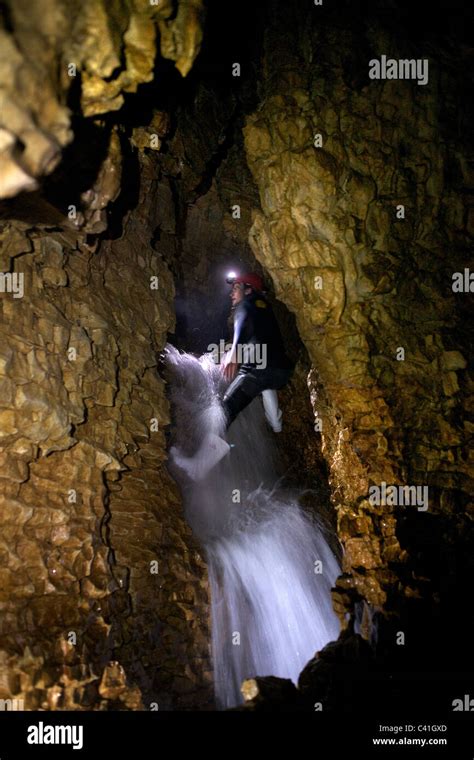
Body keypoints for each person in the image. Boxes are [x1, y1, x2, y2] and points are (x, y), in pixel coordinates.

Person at [171, 272, 294, 481]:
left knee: (224, 410)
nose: (231, 293)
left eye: (236, 288)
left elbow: (241, 323)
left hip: (257, 372)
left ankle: (199, 467)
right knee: (264, 384)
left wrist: (234, 352)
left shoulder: (245, 306)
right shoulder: (265, 308)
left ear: (248, 290)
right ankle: (276, 423)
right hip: (281, 371)